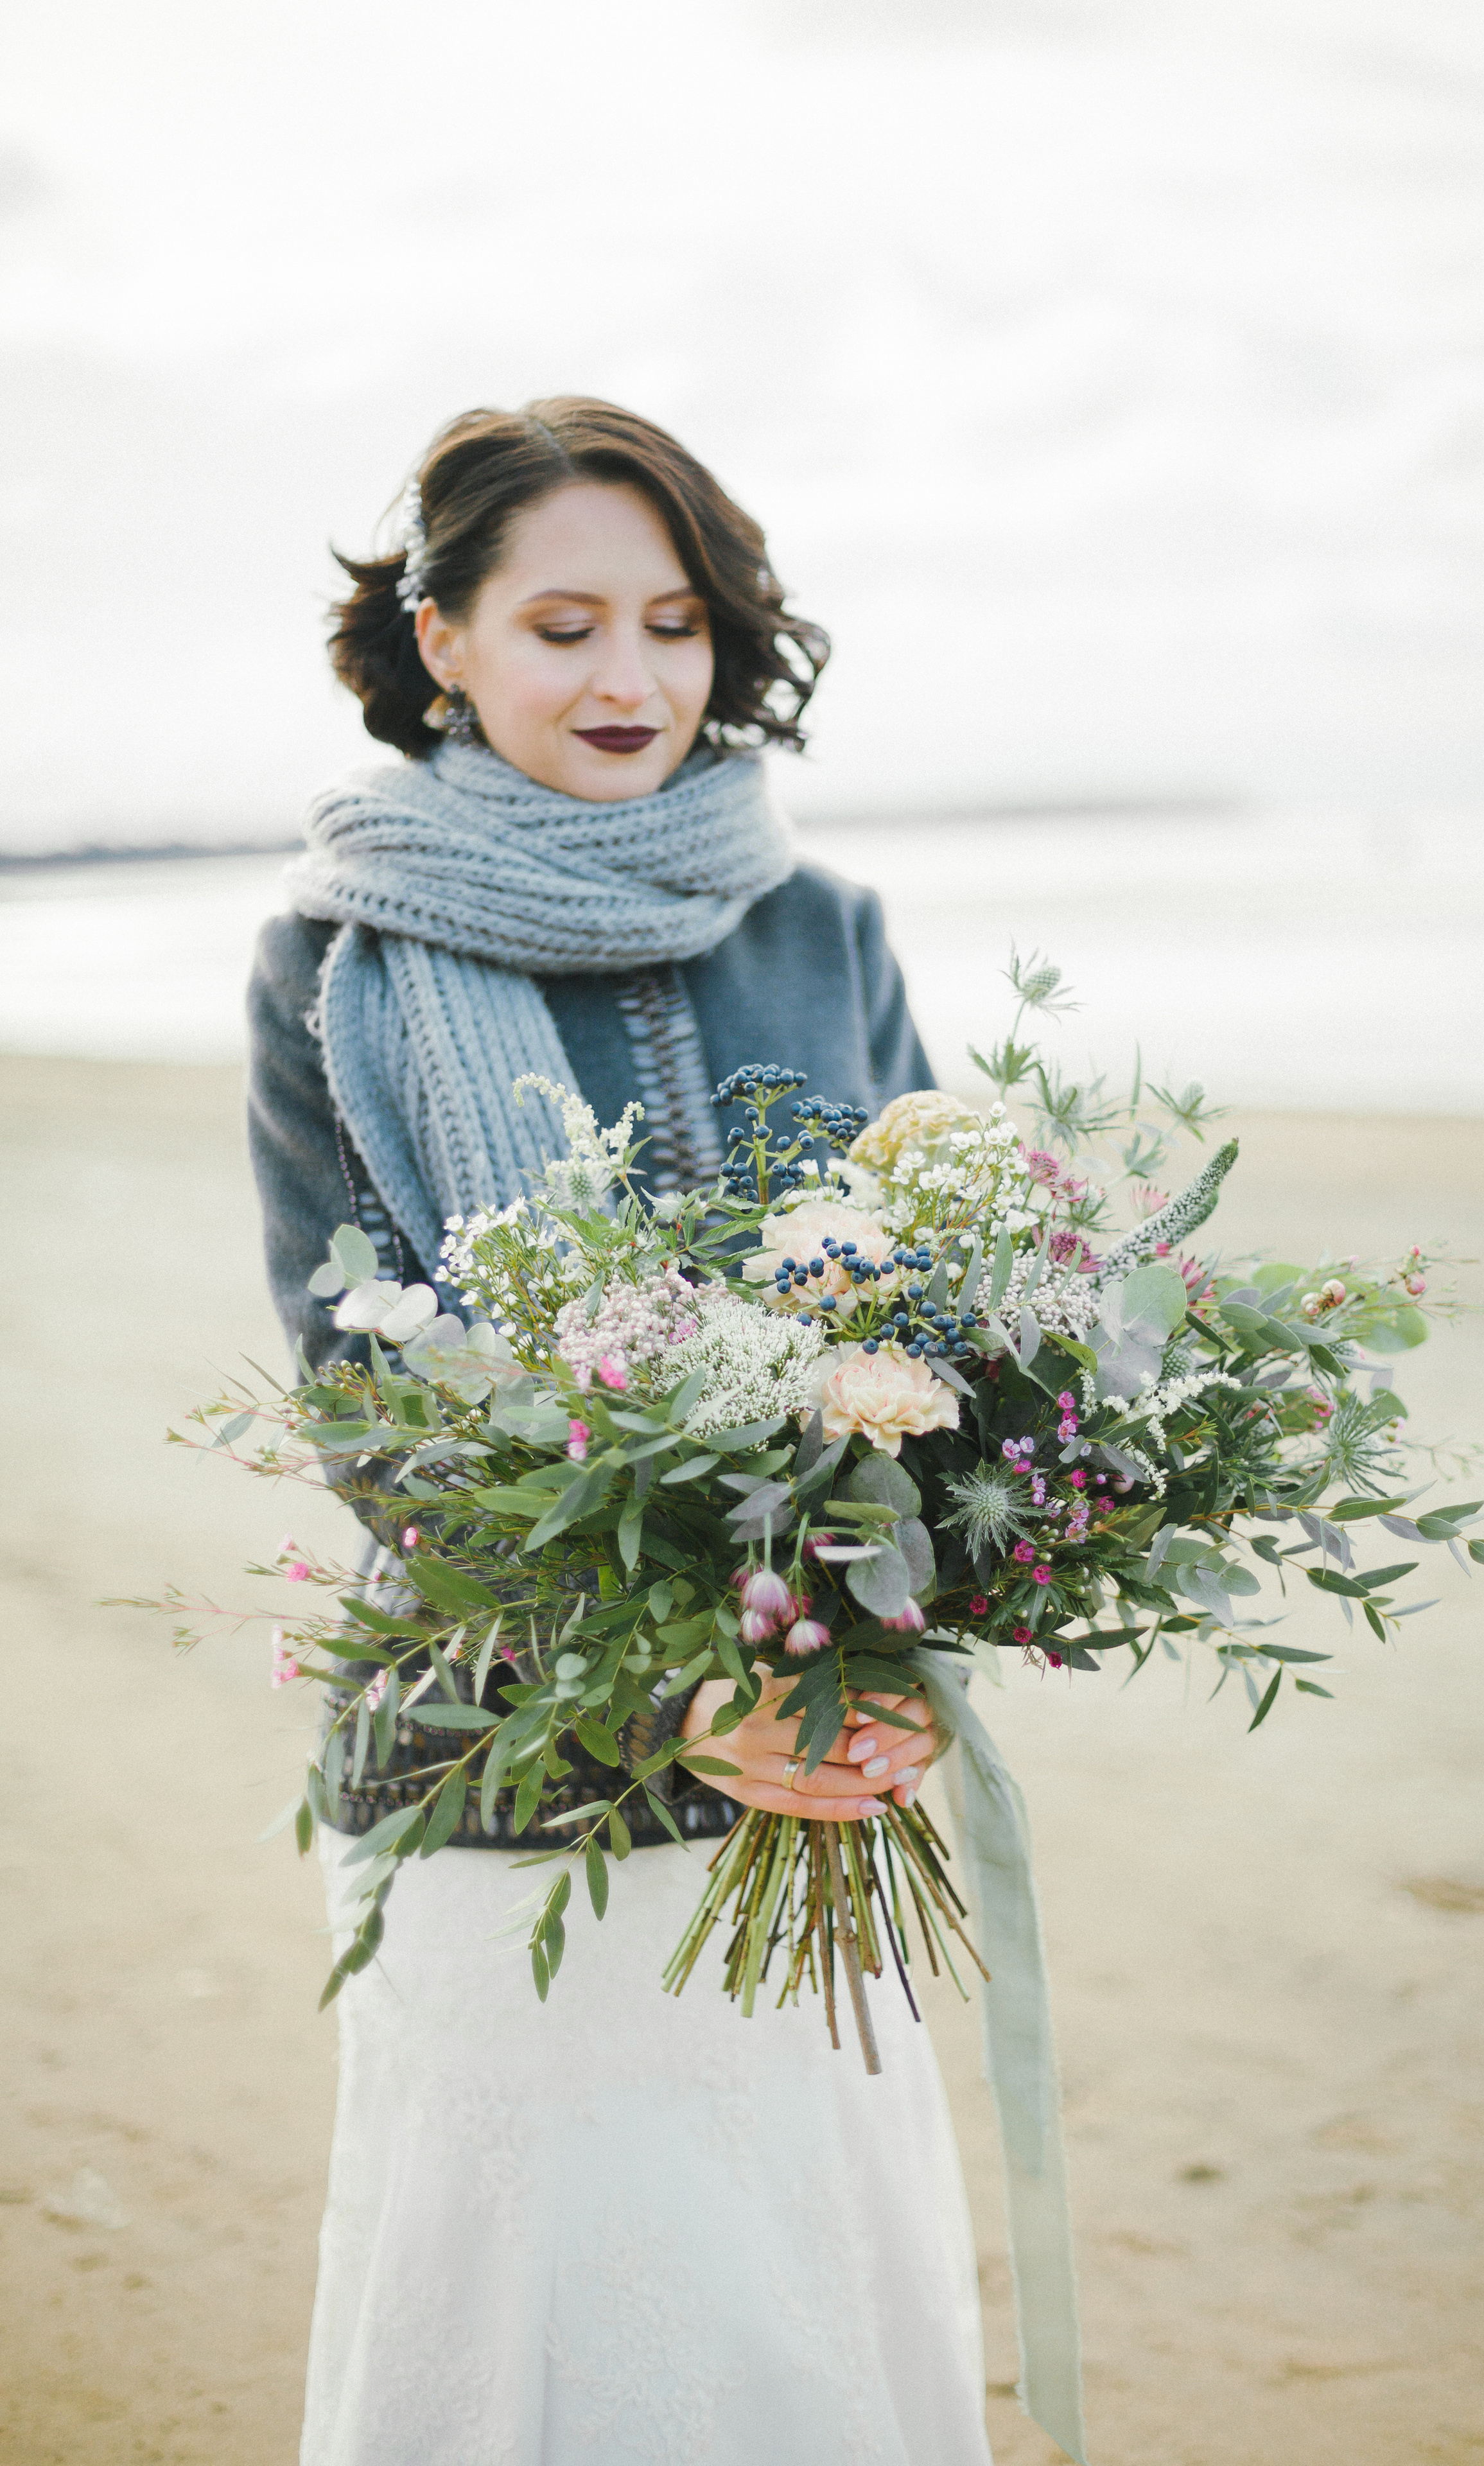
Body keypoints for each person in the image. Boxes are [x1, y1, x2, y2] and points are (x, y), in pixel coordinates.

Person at [247, 397, 992, 2465]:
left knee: (800, 2321)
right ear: (441, 636)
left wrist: (902, 1632)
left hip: (817, 1763)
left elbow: (963, 1324)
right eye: (564, 622)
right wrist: (670, 1706)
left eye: (675, 623)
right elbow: (380, 1420)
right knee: (531, 2335)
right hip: (505, 1776)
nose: (633, 677)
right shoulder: (332, 956)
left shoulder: (820, 929)